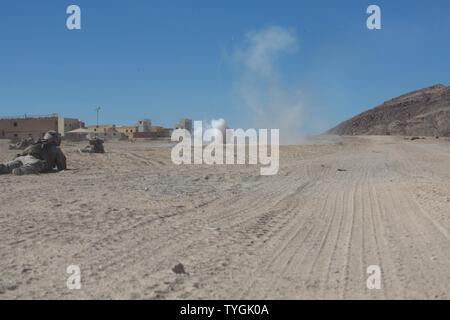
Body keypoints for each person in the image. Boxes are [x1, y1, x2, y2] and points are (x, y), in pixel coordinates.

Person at [0, 131, 67, 176]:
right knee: (39, 163)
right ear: (55, 139)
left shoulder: (37, 143)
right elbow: (62, 166)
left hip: (22, 158)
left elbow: (24, 152)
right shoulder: (56, 148)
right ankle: (21, 170)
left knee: (6, 167)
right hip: (32, 161)